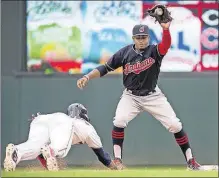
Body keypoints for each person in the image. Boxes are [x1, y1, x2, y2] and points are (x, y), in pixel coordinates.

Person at [76, 21, 202, 170]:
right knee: (119, 121)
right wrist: (88, 76)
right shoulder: (124, 53)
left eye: (144, 37)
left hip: (153, 96)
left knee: (175, 125)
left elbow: (166, 45)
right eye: (138, 37)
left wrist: (166, 30)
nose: (141, 40)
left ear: (148, 38)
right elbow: (105, 68)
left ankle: (191, 161)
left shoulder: (155, 51)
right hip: (131, 96)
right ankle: (117, 160)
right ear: (133, 38)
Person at [4, 103, 117, 171]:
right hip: (61, 121)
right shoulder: (87, 127)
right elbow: (102, 156)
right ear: (83, 114)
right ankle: (52, 150)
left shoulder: (67, 121)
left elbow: (42, 154)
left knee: (35, 147)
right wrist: (115, 168)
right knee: (60, 150)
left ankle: (16, 152)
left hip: (42, 119)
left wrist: (49, 166)